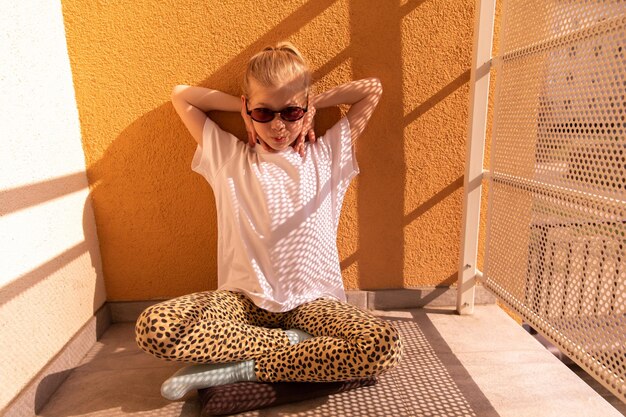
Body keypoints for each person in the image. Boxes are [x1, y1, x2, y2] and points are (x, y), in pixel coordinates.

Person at [135, 42, 403, 401]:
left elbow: (371, 89)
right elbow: (182, 96)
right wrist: (243, 110)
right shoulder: (229, 157)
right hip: (242, 305)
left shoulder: (327, 156)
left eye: (290, 113)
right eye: (264, 113)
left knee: (381, 344)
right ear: (250, 108)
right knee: (156, 329)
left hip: (312, 304)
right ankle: (295, 346)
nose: (278, 126)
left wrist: (312, 104)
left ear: (303, 110)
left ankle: (245, 367)